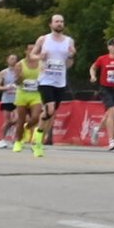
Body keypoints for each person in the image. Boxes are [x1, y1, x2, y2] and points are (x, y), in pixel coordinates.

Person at [33, 14, 76, 146]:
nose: (59, 24)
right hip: (45, 80)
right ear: (50, 24)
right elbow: (32, 54)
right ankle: (39, 136)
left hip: (60, 81)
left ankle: (39, 133)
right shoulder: (43, 39)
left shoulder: (69, 41)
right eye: (57, 21)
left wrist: (71, 55)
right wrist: (40, 56)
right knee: (50, 109)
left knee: (50, 113)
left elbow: (69, 64)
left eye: (62, 22)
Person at [14, 43, 47, 156]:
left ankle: (27, 127)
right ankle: (18, 142)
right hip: (22, 94)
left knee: (36, 117)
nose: (33, 52)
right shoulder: (20, 64)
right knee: (21, 119)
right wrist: (19, 77)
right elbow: (17, 82)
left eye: (35, 51)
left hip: (36, 94)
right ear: (26, 52)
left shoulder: (42, 64)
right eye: (30, 50)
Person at [0, 54, 20, 147]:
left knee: (18, 119)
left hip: (17, 99)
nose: (13, 60)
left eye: (15, 59)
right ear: (7, 60)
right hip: (6, 99)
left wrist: (17, 87)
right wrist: (6, 87)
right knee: (7, 120)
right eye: (11, 58)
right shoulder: (3, 73)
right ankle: (2, 139)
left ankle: (16, 139)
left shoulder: (19, 72)